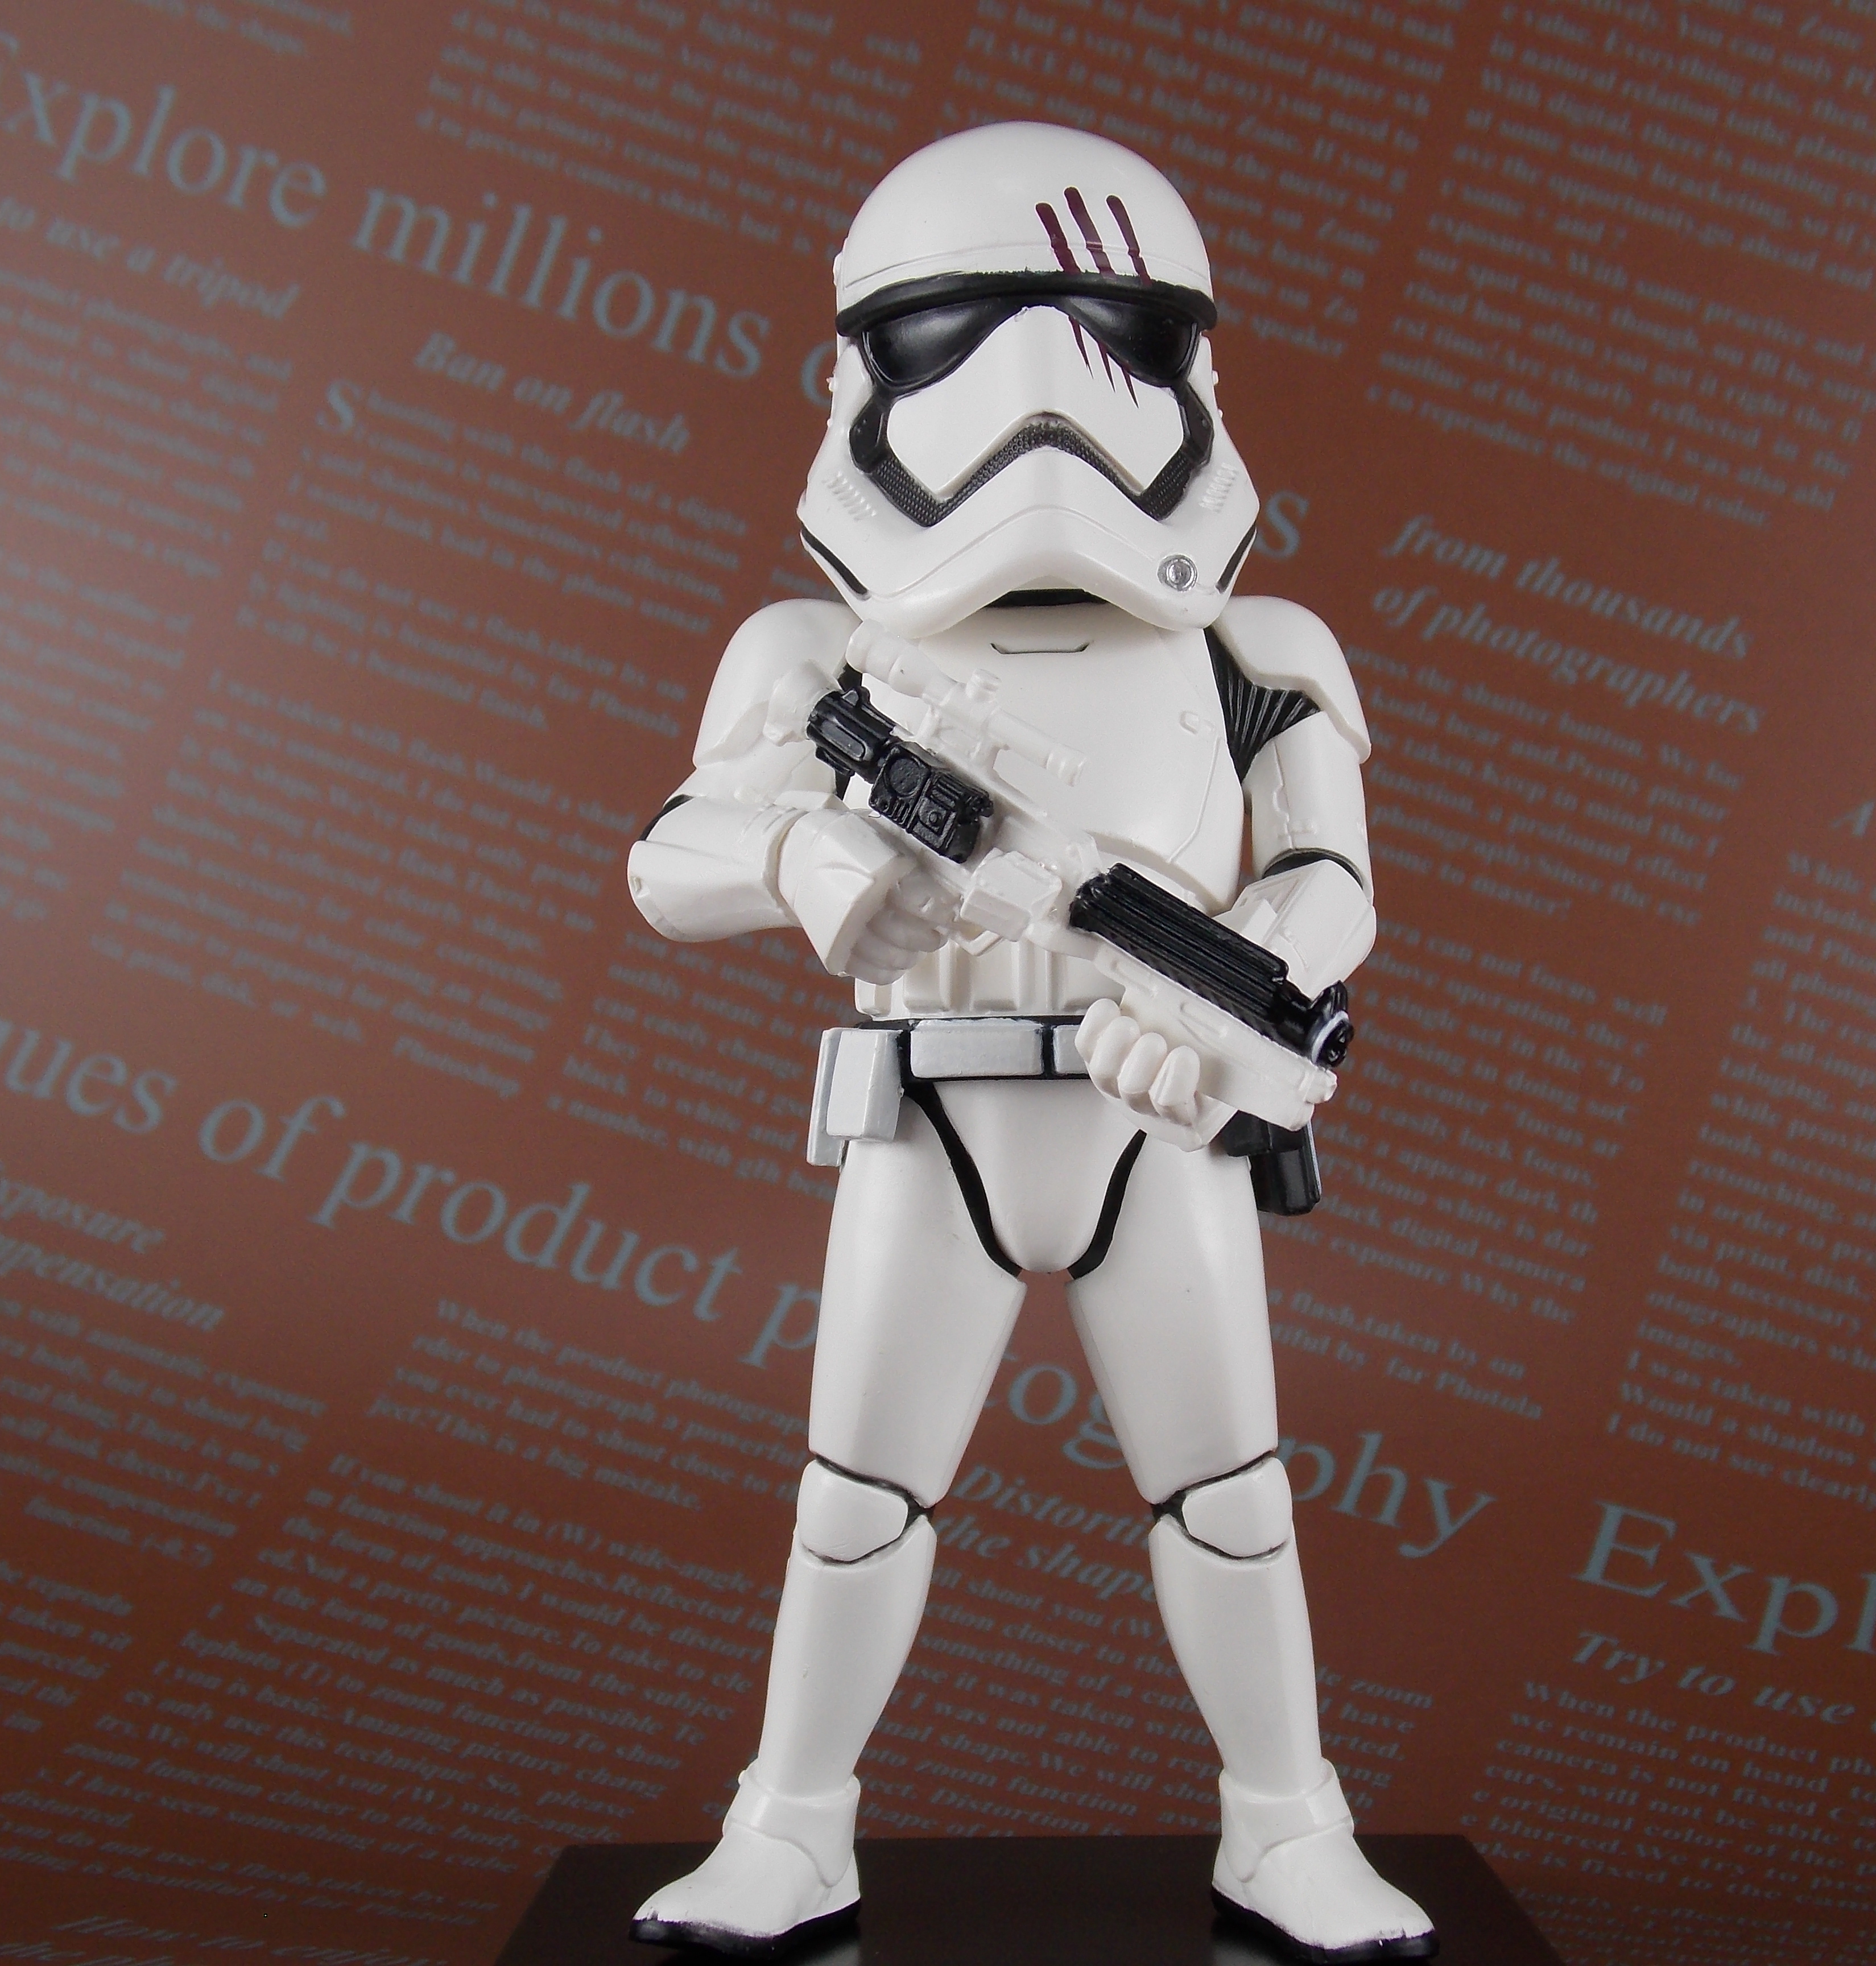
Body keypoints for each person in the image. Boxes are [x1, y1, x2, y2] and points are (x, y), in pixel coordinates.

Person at [622, 122, 1433, 1963]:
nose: (1042, 400)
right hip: (932, 1116)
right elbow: (669, 857)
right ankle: (793, 1827)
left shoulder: (1254, 654)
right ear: (864, 372)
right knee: (857, 1500)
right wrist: (803, 855)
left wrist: (1216, 992)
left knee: (1231, 1499)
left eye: (1102, 338)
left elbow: (1332, 885)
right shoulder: (819, 662)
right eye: (968, 333)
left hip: (1163, 1129)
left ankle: (1286, 1823)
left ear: (1185, 369)